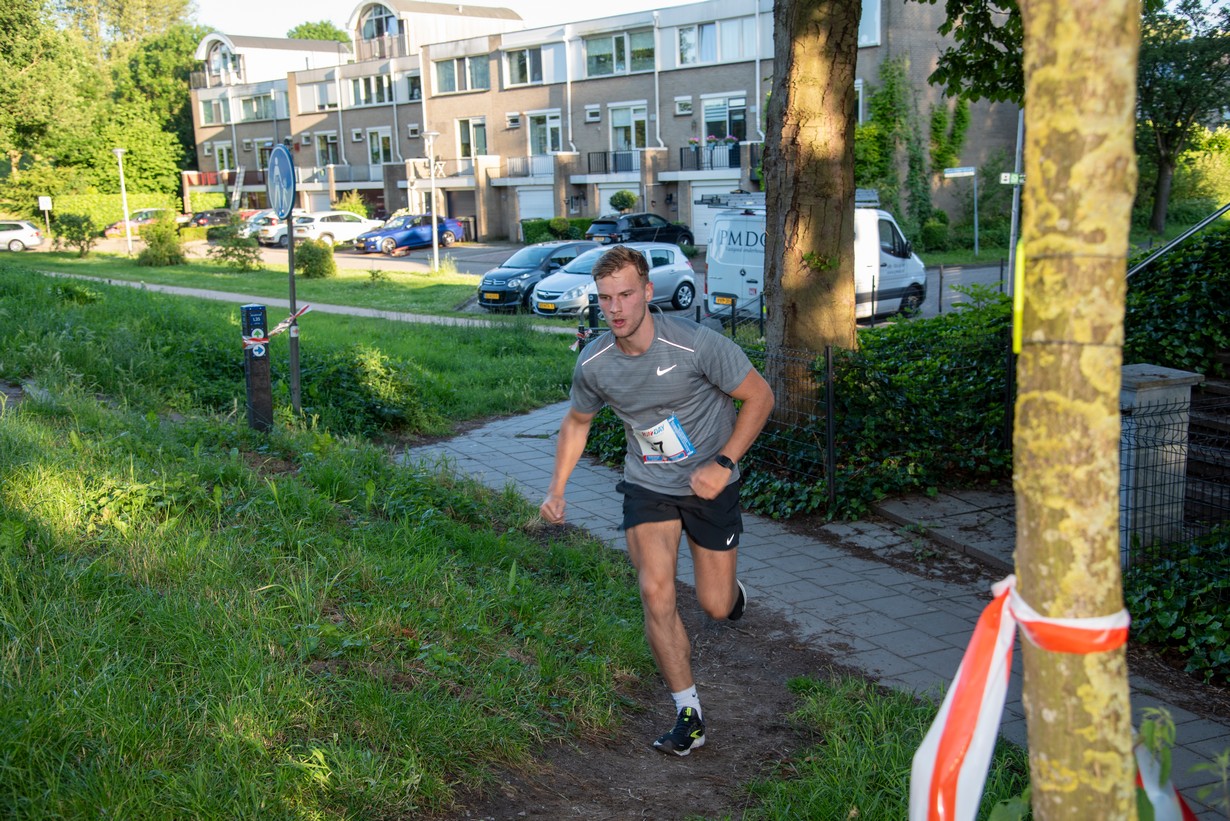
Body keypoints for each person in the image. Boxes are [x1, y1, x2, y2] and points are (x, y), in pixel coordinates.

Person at [539, 244, 775, 756]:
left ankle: (733, 596)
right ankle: (688, 714)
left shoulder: (697, 346)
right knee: (655, 592)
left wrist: (725, 462)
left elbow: (760, 397)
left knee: (714, 605)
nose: (617, 308)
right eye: (606, 299)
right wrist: (557, 489)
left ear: (648, 292)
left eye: (626, 294)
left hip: (710, 484)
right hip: (648, 486)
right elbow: (576, 423)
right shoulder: (596, 362)